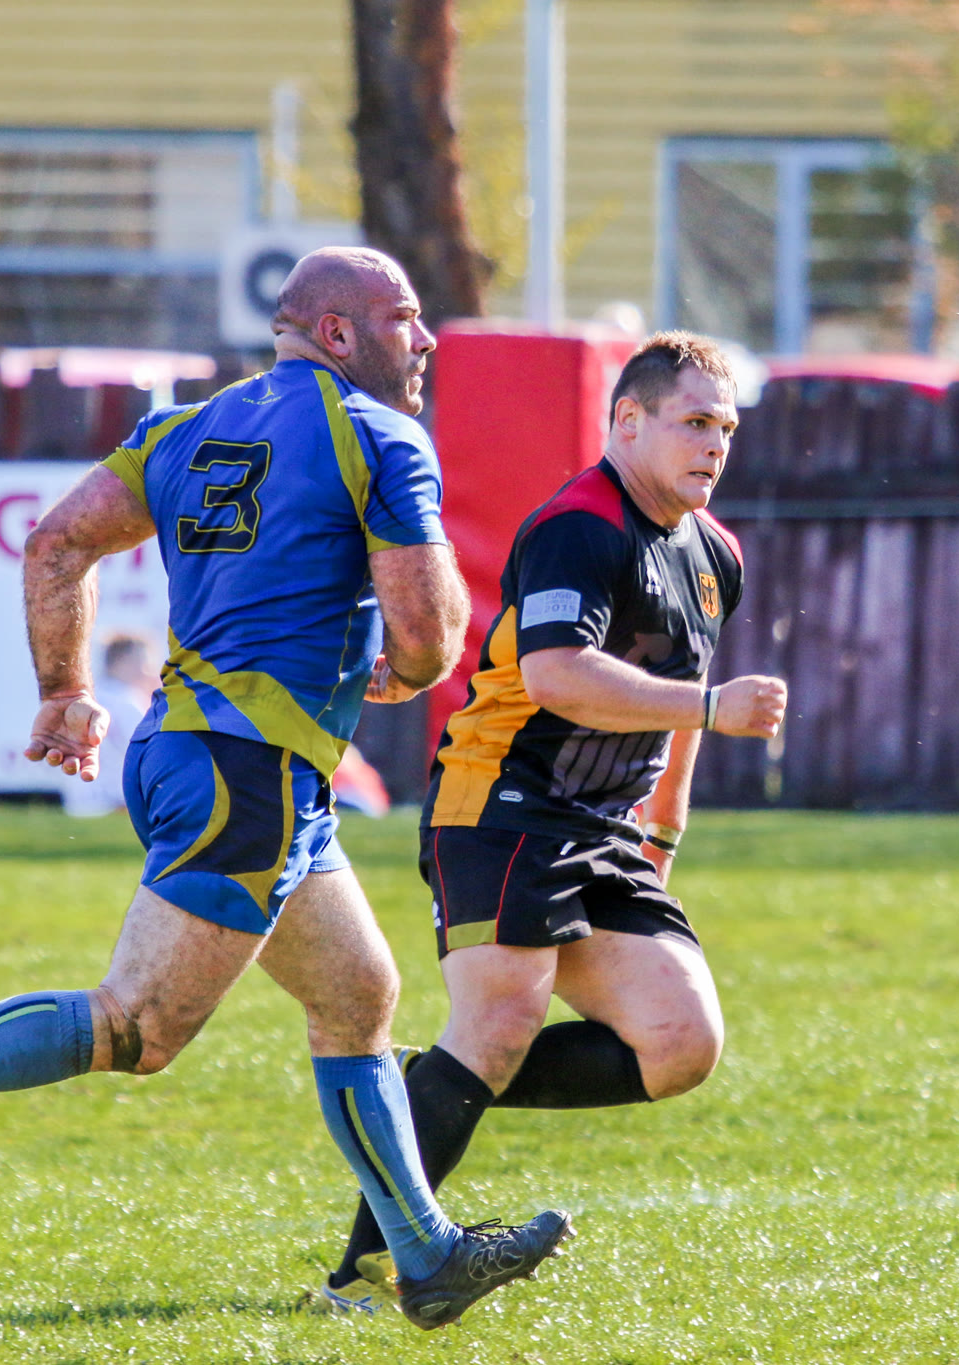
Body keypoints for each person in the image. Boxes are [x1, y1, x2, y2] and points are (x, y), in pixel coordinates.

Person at [0, 247, 569, 1330]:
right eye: (405, 316)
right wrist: (397, 661)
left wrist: (64, 691)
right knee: (137, 1026)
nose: (425, 337)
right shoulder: (382, 435)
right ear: (338, 334)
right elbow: (432, 640)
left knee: (358, 996)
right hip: (248, 774)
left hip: (201, 757)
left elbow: (55, 542)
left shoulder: (184, 426)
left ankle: (425, 1257)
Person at [316, 332, 789, 1311]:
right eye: (694, 421)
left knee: (680, 1043)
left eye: (727, 428)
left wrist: (661, 838)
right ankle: (361, 1276)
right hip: (501, 802)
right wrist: (711, 708)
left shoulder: (714, 554)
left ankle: (422, 1092)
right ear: (628, 420)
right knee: (500, 1020)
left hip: (605, 830)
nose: (714, 444)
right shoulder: (578, 525)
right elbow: (556, 676)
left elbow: (681, 705)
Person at [59, 632, 158, 818]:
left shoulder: (84, 699)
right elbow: (151, 755)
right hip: (118, 803)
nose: (150, 671)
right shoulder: (128, 702)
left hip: (79, 803)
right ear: (123, 662)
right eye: (144, 662)